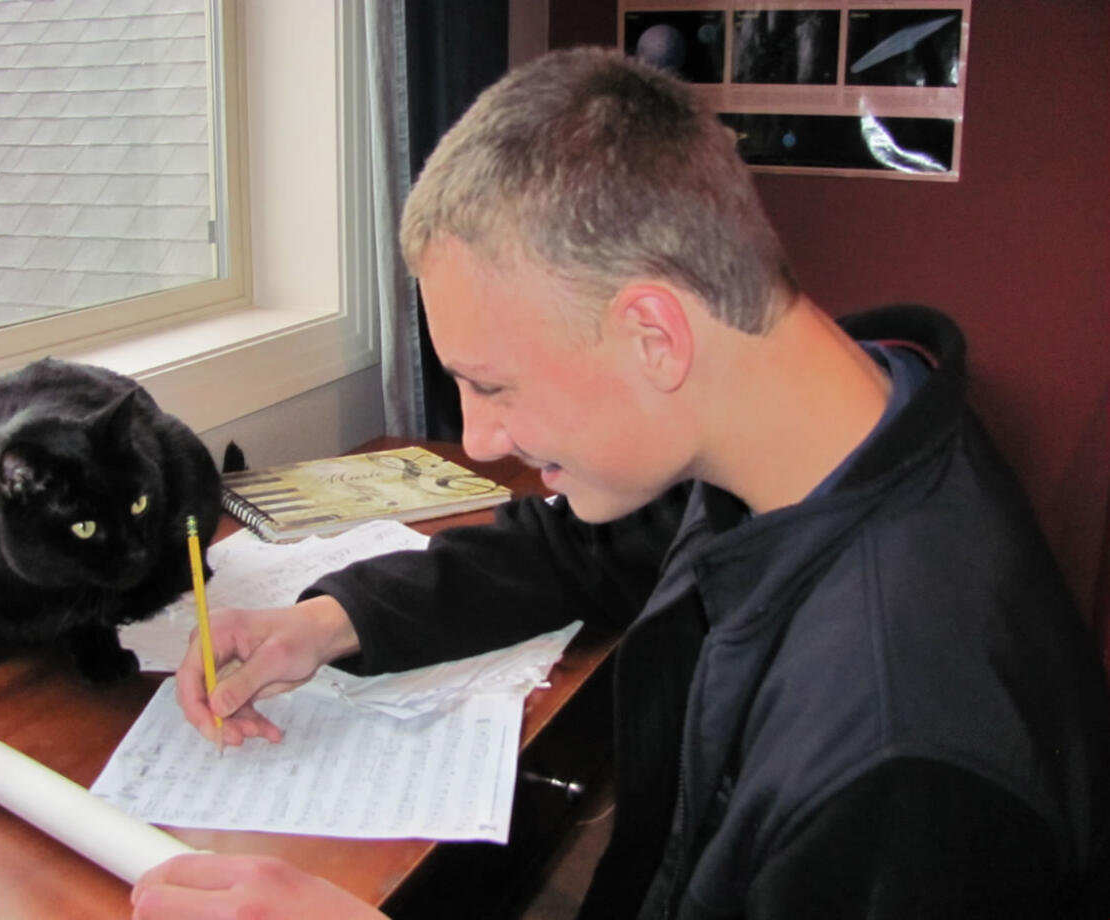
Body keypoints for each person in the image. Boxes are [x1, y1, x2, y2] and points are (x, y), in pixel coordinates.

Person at [131, 47, 1110, 920]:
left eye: (492, 382)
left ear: (653, 335)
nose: (477, 435)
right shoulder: (811, 423)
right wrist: (325, 620)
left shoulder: (899, 766)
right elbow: (577, 546)